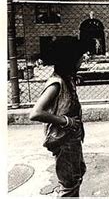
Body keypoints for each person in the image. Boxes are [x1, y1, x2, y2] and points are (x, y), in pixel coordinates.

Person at [29, 37, 87, 197]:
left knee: (76, 177)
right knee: (69, 185)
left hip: (71, 140)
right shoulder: (56, 83)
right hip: (64, 141)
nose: (83, 60)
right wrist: (65, 121)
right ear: (70, 60)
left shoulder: (67, 79)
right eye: (80, 57)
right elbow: (35, 113)